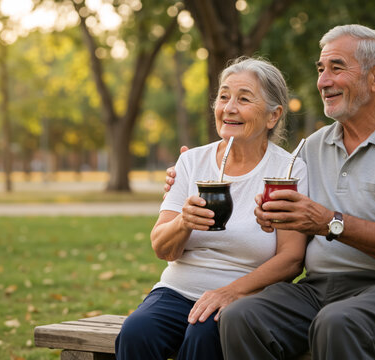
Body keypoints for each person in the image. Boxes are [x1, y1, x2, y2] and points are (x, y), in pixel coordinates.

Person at [164, 25, 375, 359]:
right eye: (320, 69)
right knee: (240, 316)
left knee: (338, 322)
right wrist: (189, 175)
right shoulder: (312, 148)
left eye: (336, 68)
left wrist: (331, 222)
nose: (323, 81)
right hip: (318, 289)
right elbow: (265, 177)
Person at [115, 57, 308, 360]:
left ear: (273, 116)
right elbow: (162, 248)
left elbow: (292, 259)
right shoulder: (191, 162)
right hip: (176, 291)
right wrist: (184, 222)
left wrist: (232, 291)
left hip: (244, 298)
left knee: (202, 336)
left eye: (244, 99)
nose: (229, 107)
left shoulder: (288, 171)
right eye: (223, 96)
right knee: (137, 332)